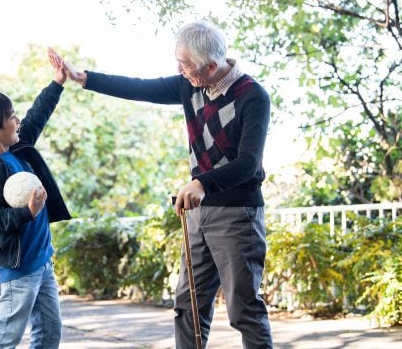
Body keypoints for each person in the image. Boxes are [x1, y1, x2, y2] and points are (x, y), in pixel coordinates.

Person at [50, 21, 273, 348]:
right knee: (188, 305)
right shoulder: (190, 85)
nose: (179, 70)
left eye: (185, 64)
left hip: (237, 214)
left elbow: (248, 164)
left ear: (210, 66)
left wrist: (202, 183)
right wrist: (85, 78)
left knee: (243, 309)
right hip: (198, 214)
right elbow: (140, 87)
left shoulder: (252, 96)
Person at [0, 51, 72, 348]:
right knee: (7, 335)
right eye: (10, 118)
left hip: (42, 262)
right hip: (18, 269)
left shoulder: (18, 147)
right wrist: (27, 212)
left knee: (49, 331)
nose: (17, 120)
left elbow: (36, 117)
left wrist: (57, 83)